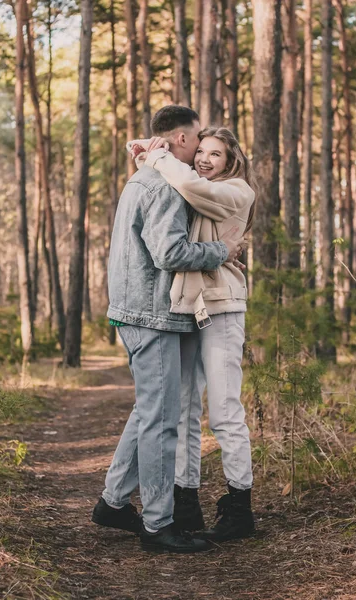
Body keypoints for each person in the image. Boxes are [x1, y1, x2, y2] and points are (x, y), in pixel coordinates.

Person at [91, 107, 245, 554]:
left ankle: (114, 501)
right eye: (197, 138)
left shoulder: (146, 174)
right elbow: (170, 252)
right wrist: (221, 250)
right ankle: (159, 525)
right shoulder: (163, 185)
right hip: (150, 312)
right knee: (161, 420)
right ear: (179, 138)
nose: (200, 147)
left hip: (139, 309)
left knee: (150, 411)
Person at [131, 127, 256, 542]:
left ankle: (240, 508)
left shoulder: (237, 191)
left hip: (222, 309)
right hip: (188, 308)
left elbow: (182, 181)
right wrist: (146, 156)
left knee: (223, 411)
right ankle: (186, 503)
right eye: (200, 151)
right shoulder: (199, 186)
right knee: (183, 409)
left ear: (231, 160)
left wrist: (157, 153)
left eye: (214, 154)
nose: (203, 158)